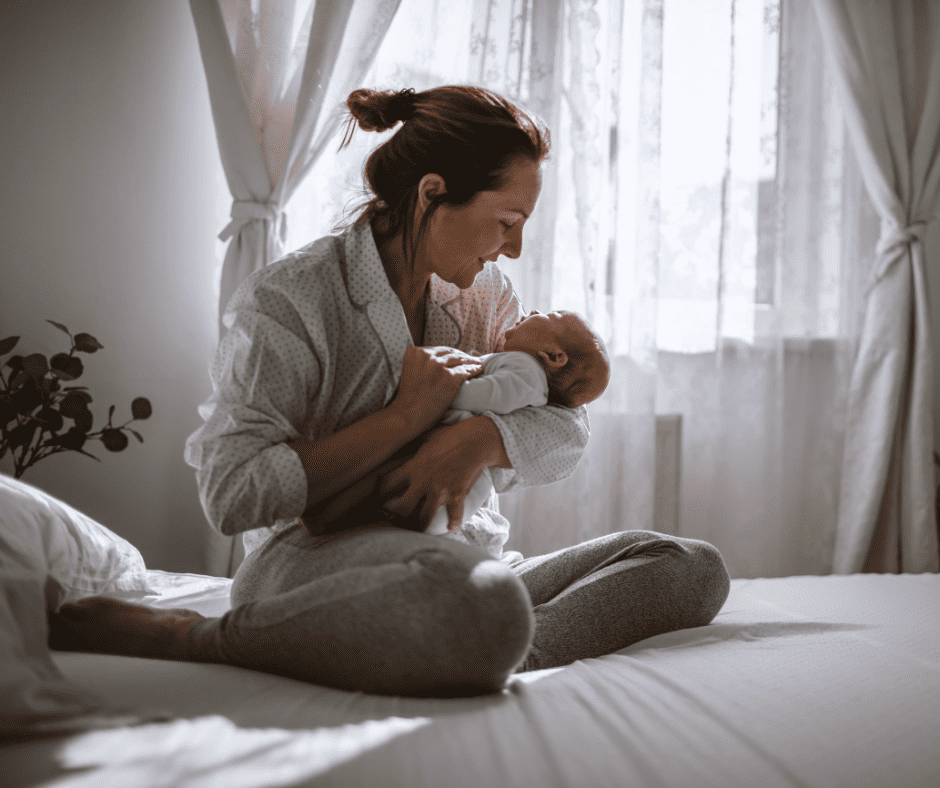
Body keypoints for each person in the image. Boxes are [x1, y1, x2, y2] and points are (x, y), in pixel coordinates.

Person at [47, 85, 731, 698]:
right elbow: (233, 495)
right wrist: (408, 416)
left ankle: (479, 636)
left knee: (689, 566)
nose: (515, 250)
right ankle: (192, 638)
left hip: (459, 565)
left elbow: (566, 424)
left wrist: (477, 441)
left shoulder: (482, 296)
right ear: (433, 194)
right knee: (484, 603)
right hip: (315, 564)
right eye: (506, 221)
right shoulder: (295, 297)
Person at [302, 308, 611, 539]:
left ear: (555, 356)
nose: (531, 311)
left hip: (451, 496)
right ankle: (328, 518)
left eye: (548, 314)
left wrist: (450, 400)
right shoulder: (524, 357)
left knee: (388, 487)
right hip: (448, 514)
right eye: (506, 223)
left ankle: (330, 517)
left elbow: (500, 397)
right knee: (384, 485)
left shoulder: (526, 367)